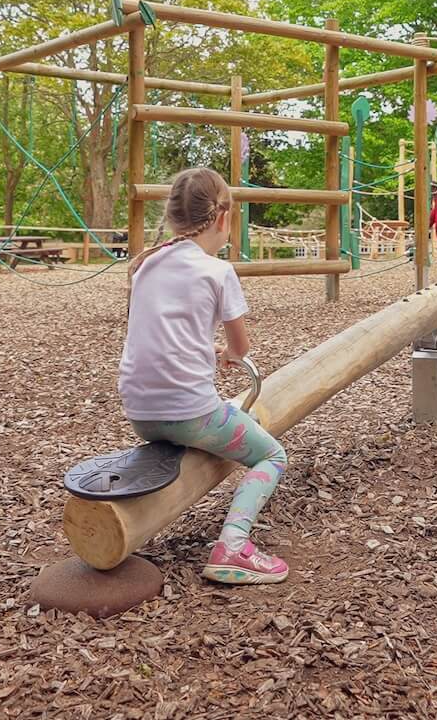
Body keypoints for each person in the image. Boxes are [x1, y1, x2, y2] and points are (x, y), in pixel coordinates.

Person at [118, 167, 289, 584]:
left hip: (140, 412)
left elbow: (162, 334)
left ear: (174, 216)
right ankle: (233, 546)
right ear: (223, 219)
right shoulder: (217, 271)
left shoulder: (146, 265)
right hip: (188, 413)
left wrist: (208, 351)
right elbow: (242, 349)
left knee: (216, 417)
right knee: (271, 455)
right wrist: (228, 354)